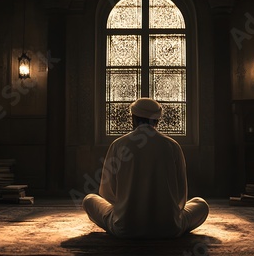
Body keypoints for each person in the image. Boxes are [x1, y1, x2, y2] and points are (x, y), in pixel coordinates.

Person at [82, 97, 209, 238]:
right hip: (169, 229)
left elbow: (107, 192)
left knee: (89, 199)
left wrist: (125, 206)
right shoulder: (172, 145)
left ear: (133, 119)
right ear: (157, 120)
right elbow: (181, 194)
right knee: (201, 204)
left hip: (125, 228)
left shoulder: (118, 145)